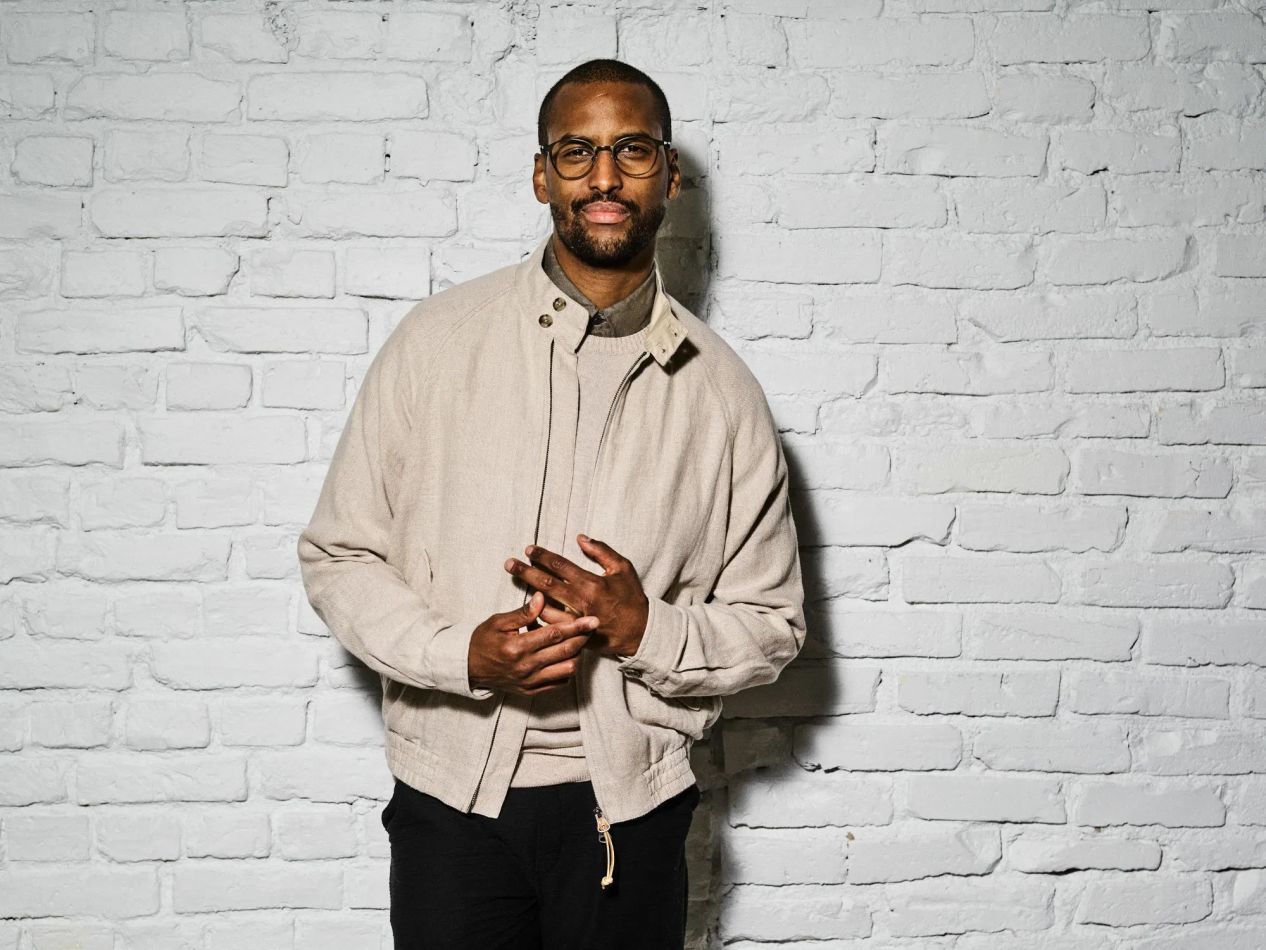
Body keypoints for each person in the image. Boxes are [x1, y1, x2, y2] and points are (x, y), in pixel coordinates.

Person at [297, 58, 806, 950]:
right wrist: (460, 654)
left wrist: (646, 630)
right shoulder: (437, 343)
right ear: (543, 176)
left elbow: (773, 625)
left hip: (632, 816)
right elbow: (340, 555)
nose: (604, 176)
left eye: (632, 150)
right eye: (577, 152)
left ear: (670, 176)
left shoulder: (723, 395)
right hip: (450, 808)